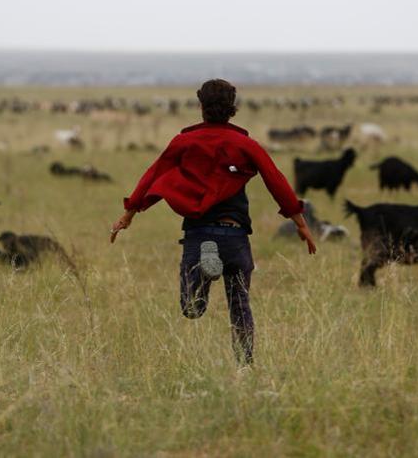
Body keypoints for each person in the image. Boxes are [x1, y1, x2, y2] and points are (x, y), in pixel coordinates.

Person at [110, 79, 316, 364]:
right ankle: (245, 365)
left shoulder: (183, 141)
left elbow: (153, 175)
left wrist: (129, 213)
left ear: (201, 106)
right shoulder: (245, 144)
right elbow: (275, 180)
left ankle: (205, 275)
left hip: (199, 234)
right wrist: (300, 222)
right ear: (232, 109)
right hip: (235, 236)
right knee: (240, 305)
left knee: (192, 307)